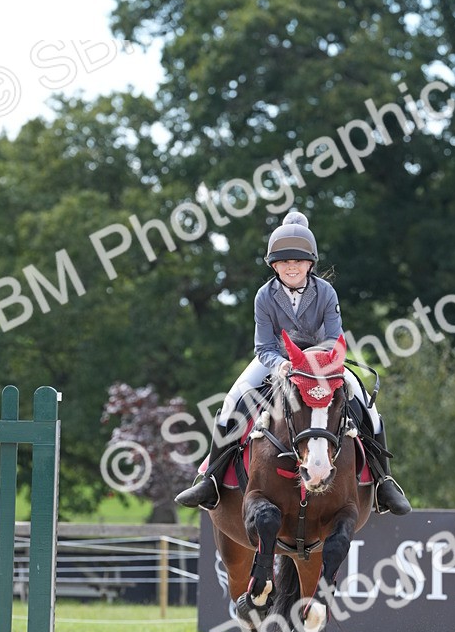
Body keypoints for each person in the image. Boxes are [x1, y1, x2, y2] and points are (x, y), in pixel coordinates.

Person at [175, 209, 411, 514]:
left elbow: (335, 338)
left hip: (323, 362)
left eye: (297, 261)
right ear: (274, 265)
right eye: (285, 261)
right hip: (278, 360)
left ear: (310, 264)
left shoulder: (325, 292)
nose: (291, 267)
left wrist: (315, 362)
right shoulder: (264, 296)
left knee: (367, 404)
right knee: (233, 400)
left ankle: (384, 483)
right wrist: (281, 365)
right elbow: (264, 346)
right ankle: (211, 479)